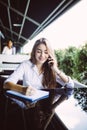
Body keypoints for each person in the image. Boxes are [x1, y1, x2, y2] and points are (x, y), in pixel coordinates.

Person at [3, 38, 74, 130]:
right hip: (30, 102)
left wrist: (56, 69)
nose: (42, 55)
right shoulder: (25, 65)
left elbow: (70, 86)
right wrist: (23, 89)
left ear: (49, 54)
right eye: (39, 51)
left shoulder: (50, 68)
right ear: (34, 51)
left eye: (46, 52)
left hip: (46, 102)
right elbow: (6, 84)